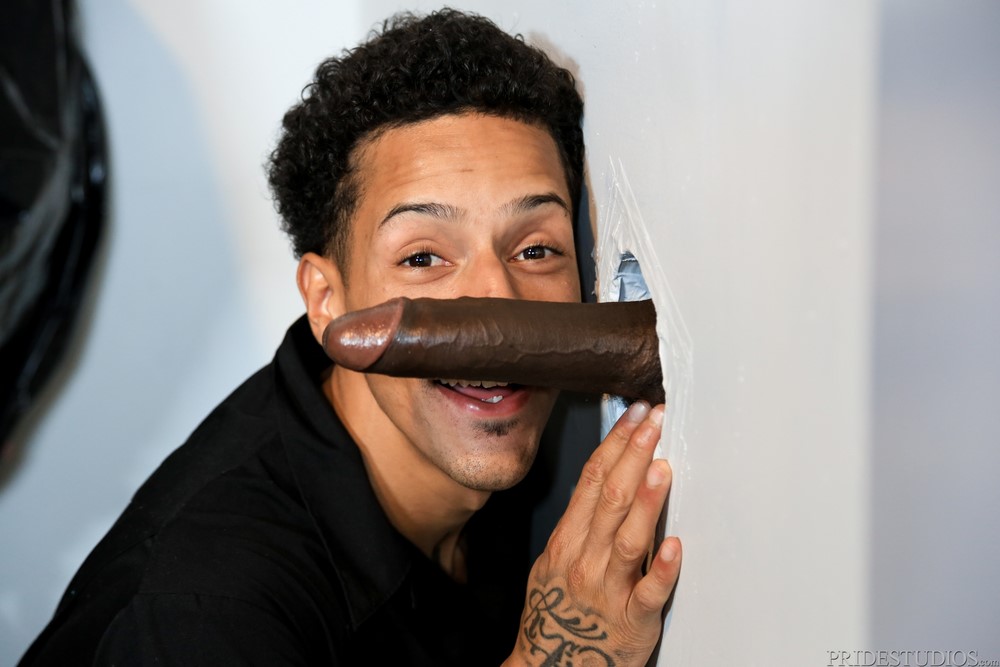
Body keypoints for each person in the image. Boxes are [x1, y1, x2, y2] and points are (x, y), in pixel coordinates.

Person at [21, 9, 681, 666]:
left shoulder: (490, 451)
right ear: (326, 300)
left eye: (536, 249)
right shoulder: (210, 608)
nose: (498, 301)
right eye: (423, 257)